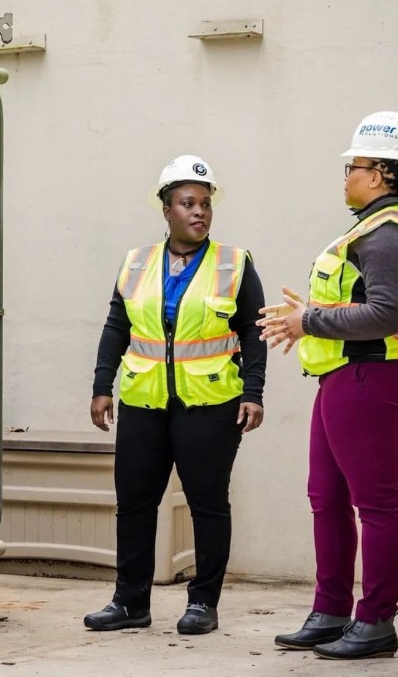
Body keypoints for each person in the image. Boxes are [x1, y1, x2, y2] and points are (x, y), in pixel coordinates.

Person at [258, 111, 398, 660]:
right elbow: (359, 302)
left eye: (352, 167)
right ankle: (331, 610)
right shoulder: (371, 228)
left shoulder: (388, 235)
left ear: (378, 173)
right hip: (346, 374)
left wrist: (308, 320)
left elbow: (385, 312)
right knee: (326, 496)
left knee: (375, 504)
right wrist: (308, 315)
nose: (346, 176)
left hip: (370, 374)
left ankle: (376, 621)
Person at [85, 155, 267, 636]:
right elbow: (116, 326)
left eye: (205, 203)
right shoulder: (136, 262)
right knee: (134, 504)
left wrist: (253, 392)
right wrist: (102, 386)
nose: (199, 211)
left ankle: (203, 602)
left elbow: (254, 331)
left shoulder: (234, 263)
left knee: (208, 505)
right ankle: (130, 603)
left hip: (210, 405)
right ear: (166, 209)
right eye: (188, 203)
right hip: (143, 403)